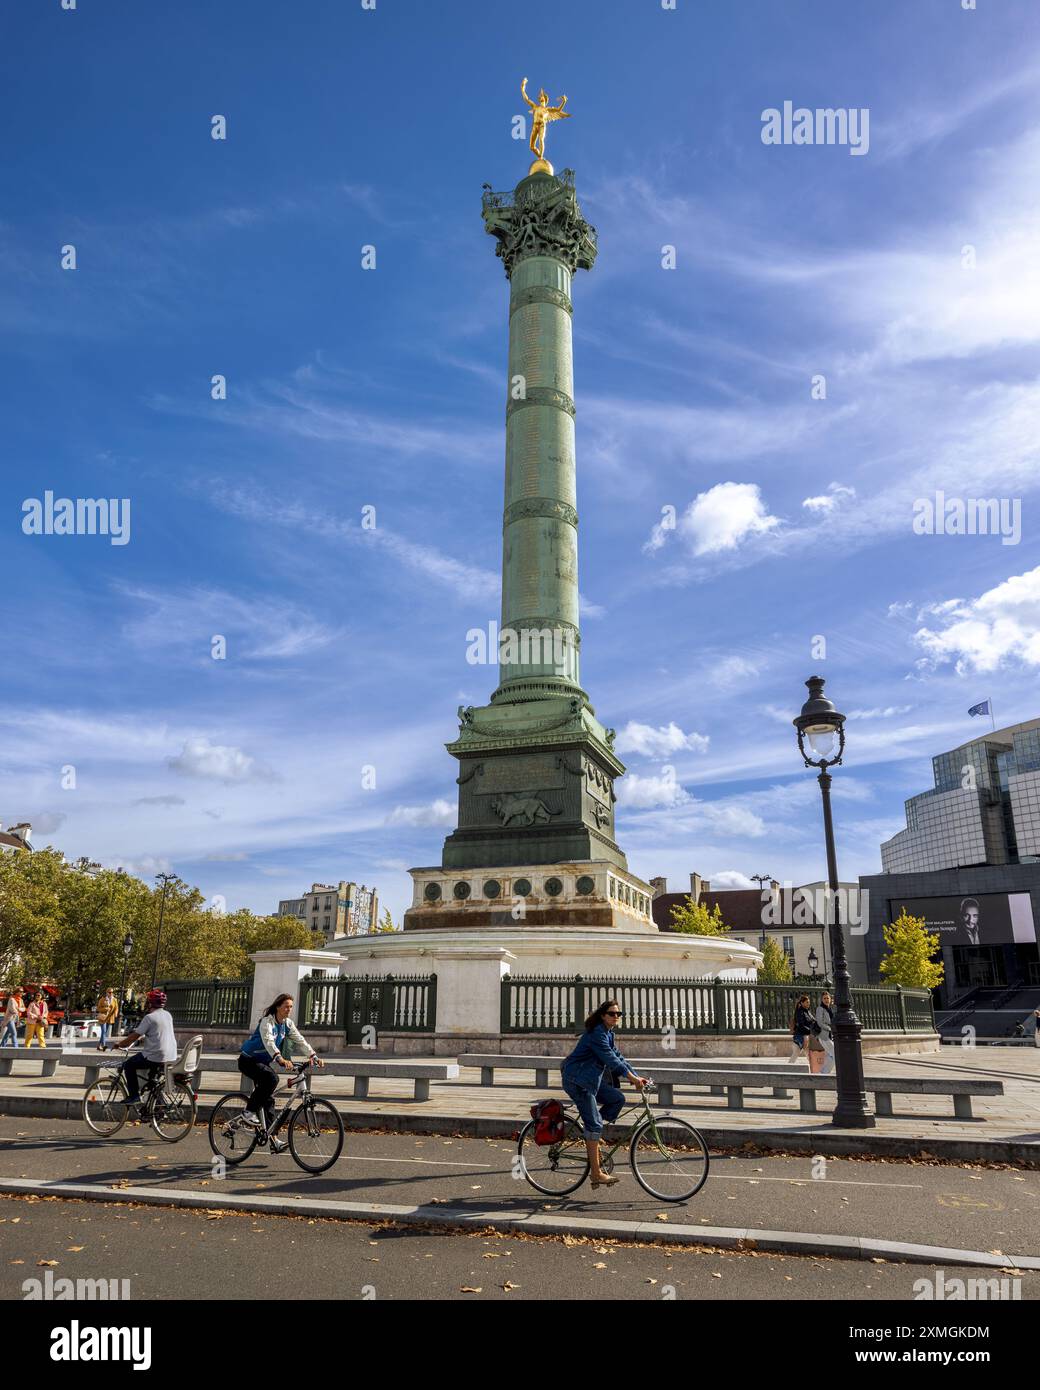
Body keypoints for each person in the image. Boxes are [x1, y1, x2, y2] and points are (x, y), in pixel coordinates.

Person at [561, 999, 648, 1190]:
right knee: (594, 1124)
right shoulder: (596, 1034)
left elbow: (619, 1058)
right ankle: (596, 1174)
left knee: (617, 1099)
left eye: (618, 1014)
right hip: (577, 1080)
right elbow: (610, 1059)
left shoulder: (608, 1034)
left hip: (591, 1079)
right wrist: (631, 1079)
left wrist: (636, 1076)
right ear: (602, 1015)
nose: (616, 1016)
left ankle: (593, 1133)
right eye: (612, 1013)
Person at [238, 994, 323, 1152]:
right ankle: (248, 1112)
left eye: (291, 1007)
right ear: (278, 1007)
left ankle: (273, 1140)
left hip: (262, 1063)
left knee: (269, 1100)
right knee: (272, 1078)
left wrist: (313, 1056)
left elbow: (300, 1041)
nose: (289, 1010)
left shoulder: (287, 1024)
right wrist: (280, 1058)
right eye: (286, 1006)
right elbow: (269, 1041)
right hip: (248, 1060)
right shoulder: (267, 1022)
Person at [105, 988, 178, 1114]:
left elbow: (133, 1037)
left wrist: (119, 1044)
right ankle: (158, 1107)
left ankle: (134, 1096)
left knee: (128, 1065)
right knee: (152, 1082)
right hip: (171, 1055)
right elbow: (158, 1033)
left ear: (150, 1003)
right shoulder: (168, 1015)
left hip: (155, 1056)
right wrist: (145, 1038)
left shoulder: (149, 1018)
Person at [789, 994, 818, 1063]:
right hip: (800, 1036)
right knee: (796, 1053)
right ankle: (788, 1069)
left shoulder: (807, 1011)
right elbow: (801, 1025)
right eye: (807, 1002)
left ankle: (814, 1069)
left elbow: (813, 1021)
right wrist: (810, 1031)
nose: (809, 1003)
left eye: (809, 1002)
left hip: (806, 1036)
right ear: (802, 1003)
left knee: (807, 1054)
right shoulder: (800, 1012)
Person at [815, 992, 835, 1075]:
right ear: (822, 1000)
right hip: (823, 1035)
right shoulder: (820, 1009)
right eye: (824, 998)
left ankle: (823, 1072)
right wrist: (829, 1028)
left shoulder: (829, 1009)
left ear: (830, 999)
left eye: (828, 998)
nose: (826, 1000)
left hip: (829, 1035)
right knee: (835, 1053)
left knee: (830, 1054)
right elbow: (820, 1023)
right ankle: (824, 1072)